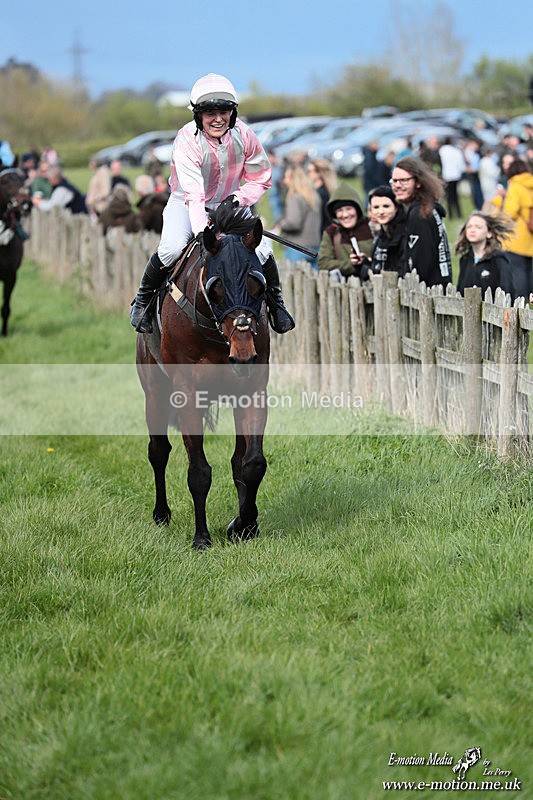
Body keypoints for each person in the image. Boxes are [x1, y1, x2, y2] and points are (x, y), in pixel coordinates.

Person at [130, 73, 294, 334]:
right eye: (210, 112)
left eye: (224, 111)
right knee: (172, 249)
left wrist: (238, 199)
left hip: (231, 205)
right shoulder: (186, 140)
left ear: (233, 112)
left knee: (263, 250)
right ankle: (143, 301)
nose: (218, 118)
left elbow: (261, 177)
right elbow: (195, 195)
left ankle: (277, 305)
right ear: (198, 115)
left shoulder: (245, 134)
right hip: (186, 204)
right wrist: (202, 233)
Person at [390, 156, 452, 288]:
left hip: (429, 294)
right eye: (394, 181)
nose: (397, 186)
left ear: (418, 182)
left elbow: (421, 264)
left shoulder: (420, 215)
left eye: (404, 181)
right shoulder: (428, 207)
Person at [317, 182, 373, 280]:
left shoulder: (372, 227)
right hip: (345, 289)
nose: (345, 215)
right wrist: (351, 264)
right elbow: (323, 262)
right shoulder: (331, 233)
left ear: (357, 209)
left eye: (349, 209)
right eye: (340, 210)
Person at [455, 212, 515, 298]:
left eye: (478, 227)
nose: (472, 230)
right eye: (469, 227)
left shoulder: (498, 259)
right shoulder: (465, 259)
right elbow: (460, 292)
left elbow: (508, 291)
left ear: (489, 233)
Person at [499, 158, 533, 300]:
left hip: (518, 237)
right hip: (531, 237)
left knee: (518, 271)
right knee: (530, 271)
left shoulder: (515, 185)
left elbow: (510, 212)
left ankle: (521, 299)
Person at [277, 165, 321, 269]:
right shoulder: (313, 196)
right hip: (314, 247)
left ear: (294, 179)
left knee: (295, 283)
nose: (285, 181)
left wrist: (281, 225)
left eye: (287, 177)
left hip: (296, 248)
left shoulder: (294, 197)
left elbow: (293, 223)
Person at [367, 185, 407, 276]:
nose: (381, 212)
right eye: (376, 207)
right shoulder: (379, 237)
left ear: (396, 207)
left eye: (386, 206)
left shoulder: (404, 236)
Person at [438, 136, 466, 219]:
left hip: (447, 175)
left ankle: (450, 214)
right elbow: (461, 164)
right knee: (456, 196)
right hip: (456, 175)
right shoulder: (456, 151)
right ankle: (458, 214)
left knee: (449, 196)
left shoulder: (442, 150)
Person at [307, 158, 337, 233]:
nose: (308, 174)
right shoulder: (324, 190)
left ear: (319, 173)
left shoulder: (322, 193)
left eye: (310, 171)